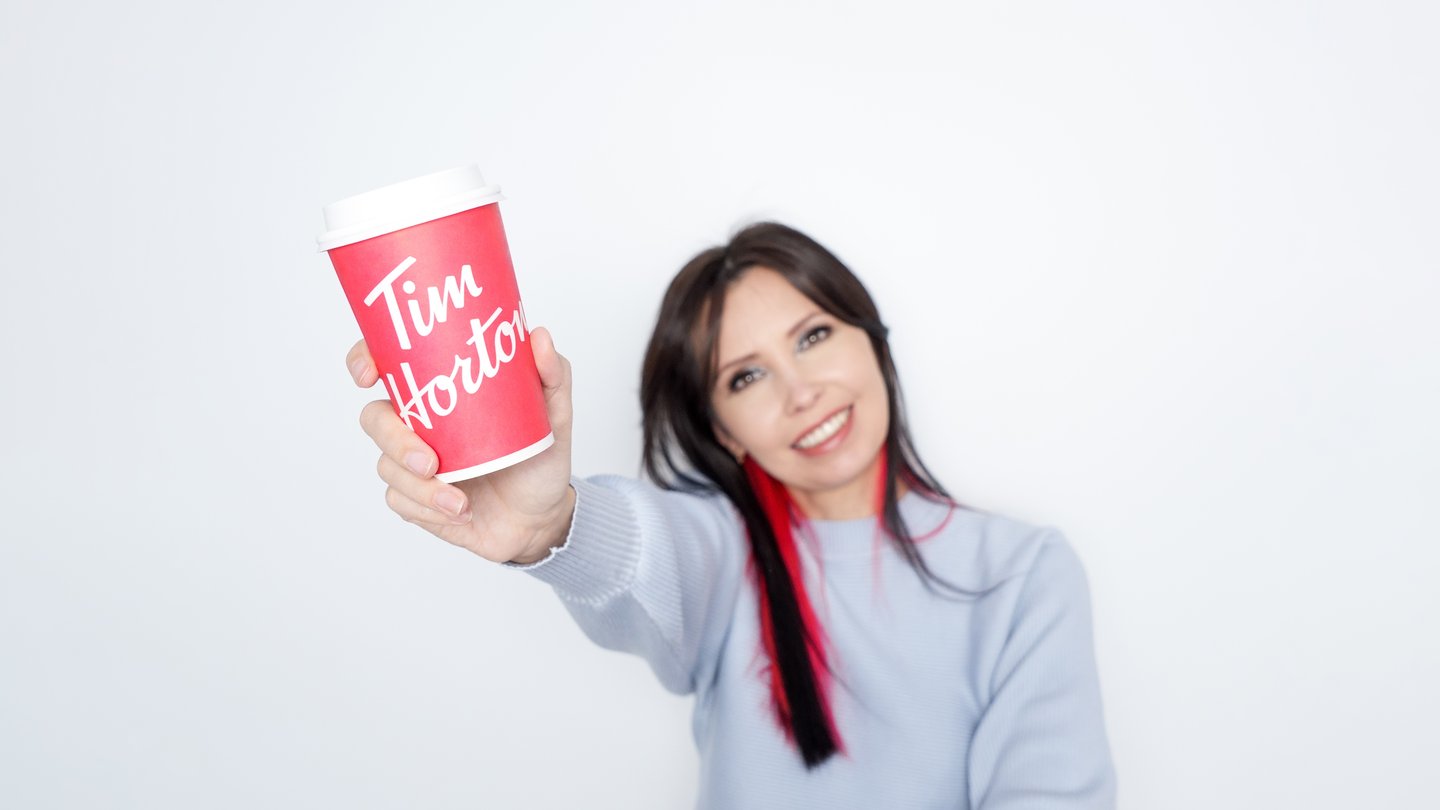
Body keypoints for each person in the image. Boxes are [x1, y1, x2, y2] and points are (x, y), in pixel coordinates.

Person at [345, 222, 1117, 808]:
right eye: (746, 377)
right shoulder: (722, 552)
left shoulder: (1022, 573)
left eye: (814, 336)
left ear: (872, 339)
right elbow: (642, 551)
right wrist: (548, 527)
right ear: (722, 429)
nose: (800, 392)